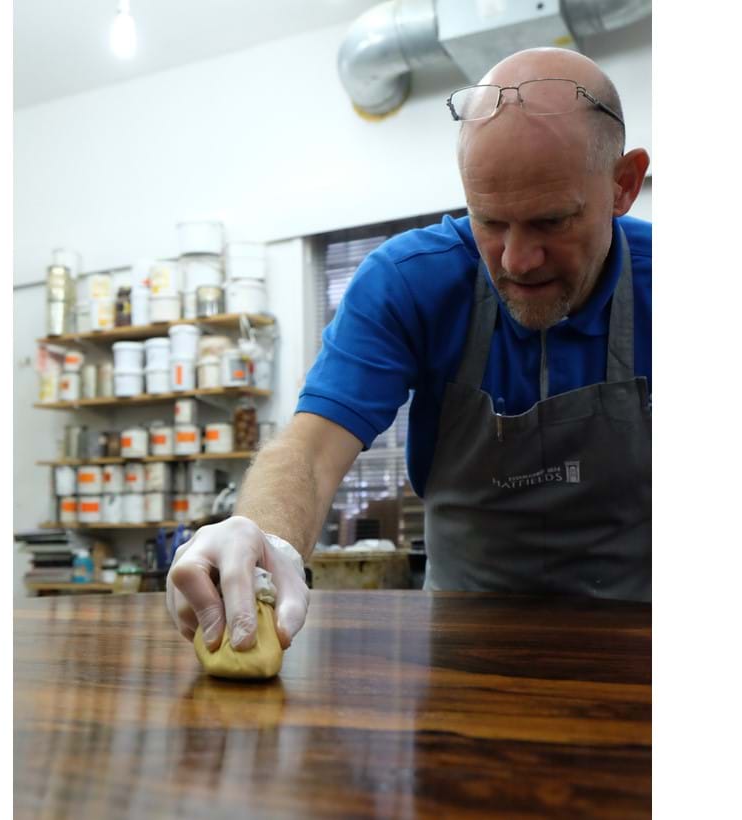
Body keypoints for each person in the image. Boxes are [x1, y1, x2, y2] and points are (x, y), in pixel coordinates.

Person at [166, 47, 651, 653]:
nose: (516, 260)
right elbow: (310, 453)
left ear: (623, 185)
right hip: (460, 656)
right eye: (490, 222)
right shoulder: (409, 283)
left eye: (552, 222)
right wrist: (261, 539)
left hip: (645, 651)